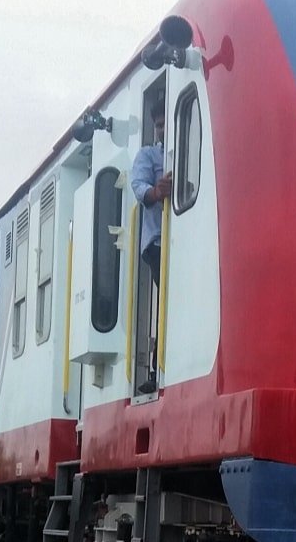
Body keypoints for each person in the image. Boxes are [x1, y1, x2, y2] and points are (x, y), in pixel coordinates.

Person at [130, 102, 171, 394]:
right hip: (157, 240)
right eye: (158, 125)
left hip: (179, 242)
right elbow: (138, 185)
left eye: (165, 123)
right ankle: (158, 369)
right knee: (166, 301)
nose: (162, 129)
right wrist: (156, 192)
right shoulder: (148, 154)